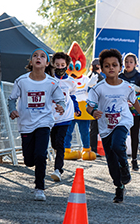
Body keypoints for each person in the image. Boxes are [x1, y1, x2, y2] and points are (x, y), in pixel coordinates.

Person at [86, 49, 140, 203]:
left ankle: (125, 167)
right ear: (102, 68)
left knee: (117, 144)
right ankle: (119, 187)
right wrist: (93, 112)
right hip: (105, 126)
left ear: (120, 67)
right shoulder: (97, 88)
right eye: (107, 66)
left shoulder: (127, 87)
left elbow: (135, 102)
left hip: (122, 121)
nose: (111, 68)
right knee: (111, 162)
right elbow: (89, 106)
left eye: (114, 65)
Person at [8, 48, 65, 201]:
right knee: (28, 160)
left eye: (42, 56)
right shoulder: (22, 81)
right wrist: (12, 110)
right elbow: (12, 99)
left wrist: (61, 106)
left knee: (41, 155)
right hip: (26, 123)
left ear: (47, 63)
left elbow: (60, 99)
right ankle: (34, 163)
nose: (38, 58)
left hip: (44, 121)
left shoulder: (52, 82)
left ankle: (40, 188)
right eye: (35, 56)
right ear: (31, 61)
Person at [49, 52, 81, 182]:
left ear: (67, 65)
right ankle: (57, 156)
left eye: (62, 65)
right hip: (51, 116)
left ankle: (58, 169)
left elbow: (73, 96)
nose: (60, 67)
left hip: (65, 116)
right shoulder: (49, 79)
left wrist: (77, 108)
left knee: (60, 142)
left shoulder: (71, 81)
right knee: (54, 143)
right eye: (57, 65)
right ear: (53, 65)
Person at [119, 53, 140, 171]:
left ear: (135, 64)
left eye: (131, 62)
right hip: (122, 109)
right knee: (121, 133)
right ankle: (122, 159)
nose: (128, 64)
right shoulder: (120, 76)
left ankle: (134, 160)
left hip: (136, 109)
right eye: (126, 62)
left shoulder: (138, 76)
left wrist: (137, 88)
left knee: (134, 135)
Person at [87, 58, 105, 155]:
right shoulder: (97, 77)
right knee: (95, 128)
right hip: (96, 105)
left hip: (89, 104)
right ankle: (93, 149)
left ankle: (91, 148)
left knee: (92, 128)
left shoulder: (89, 76)